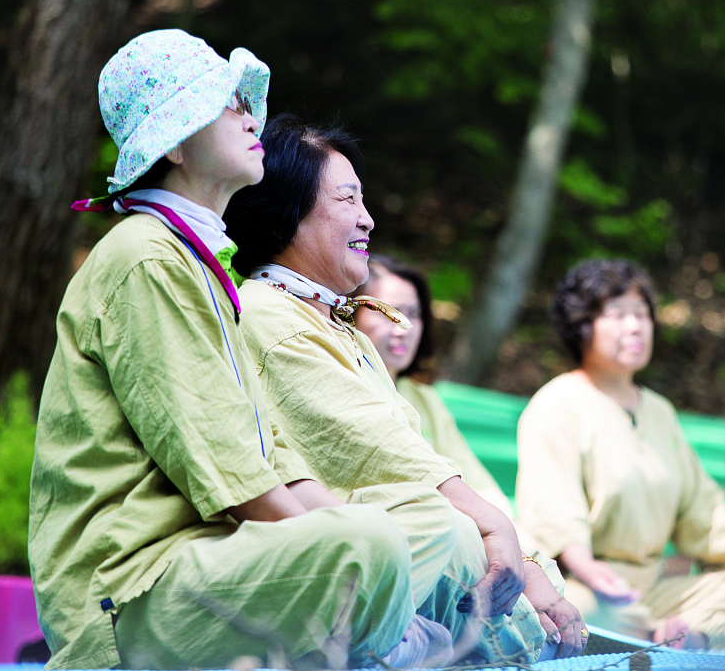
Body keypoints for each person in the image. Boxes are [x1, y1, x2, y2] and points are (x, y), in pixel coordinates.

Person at [29, 30, 455, 671]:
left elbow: (268, 458)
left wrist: (363, 539)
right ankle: (390, 645)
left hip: (205, 561)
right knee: (367, 547)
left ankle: (384, 640)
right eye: (225, 105)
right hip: (130, 592)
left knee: (409, 534)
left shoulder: (199, 262)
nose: (249, 116)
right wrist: (358, 552)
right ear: (174, 144)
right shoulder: (145, 256)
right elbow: (227, 471)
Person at [225, 114, 586, 663]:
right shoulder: (264, 314)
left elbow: (420, 460)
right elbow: (376, 454)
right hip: (310, 563)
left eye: (363, 200)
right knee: (438, 525)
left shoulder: (340, 329)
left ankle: (519, 628)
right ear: (282, 220)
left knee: (459, 532)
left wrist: (529, 561)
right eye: (347, 200)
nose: (367, 219)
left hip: (400, 554)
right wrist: (498, 532)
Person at [516, 258, 725, 650]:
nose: (635, 327)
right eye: (618, 315)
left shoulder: (659, 412)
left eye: (642, 315)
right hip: (585, 587)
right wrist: (589, 569)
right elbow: (553, 509)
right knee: (568, 610)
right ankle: (652, 639)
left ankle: (685, 638)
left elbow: (704, 512)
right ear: (583, 327)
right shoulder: (555, 404)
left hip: (652, 591)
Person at [351, 254, 516, 521]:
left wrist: (517, 538)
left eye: (414, 313)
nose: (404, 327)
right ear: (349, 313)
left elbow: (478, 485)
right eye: (387, 312)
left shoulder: (424, 399)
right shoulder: (344, 387)